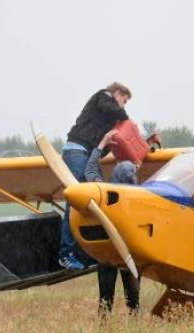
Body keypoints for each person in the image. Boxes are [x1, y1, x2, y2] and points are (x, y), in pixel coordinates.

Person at [59, 82, 131, 270]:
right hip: (76, 150)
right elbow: (117, 112)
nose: (123, 106)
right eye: (124, 101)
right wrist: (127, 123)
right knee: (76, 201)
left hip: (85, 153)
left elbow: (104, 149)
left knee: (89, 202)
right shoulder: (103, 96)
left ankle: (87, 252)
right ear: (117, 93)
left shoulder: (107, 117)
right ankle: (65, 254)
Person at [84, 130, 140, 316]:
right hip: (125, 254)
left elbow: (90, 170)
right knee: (133, 302)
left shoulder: (102, 192)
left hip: (109, 254)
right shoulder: (139, 199)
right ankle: (134, 323)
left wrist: (102, 143)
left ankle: (107, 326)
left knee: (105, 301)